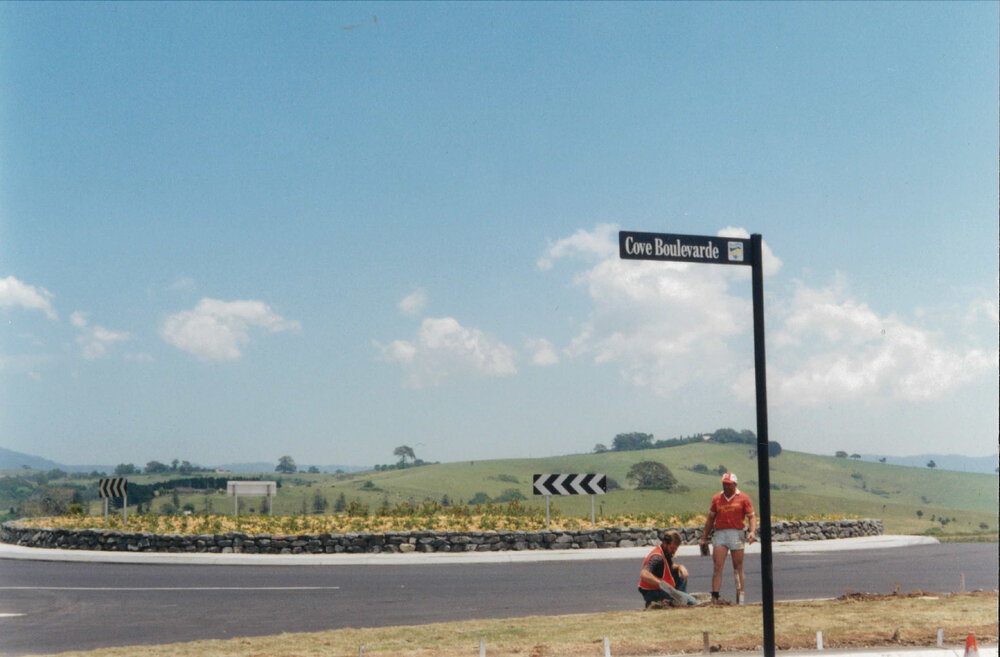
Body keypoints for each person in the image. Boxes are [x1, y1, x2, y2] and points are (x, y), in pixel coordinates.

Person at [699, 472, 756, 603]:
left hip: (737, 532)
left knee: (738, 567)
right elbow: (710, 518)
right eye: (724, 484)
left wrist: (752, 531)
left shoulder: (743, 498)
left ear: (735, 485)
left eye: (728, 484)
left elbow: (751, 516)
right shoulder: (717, 498)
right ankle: (715, 596)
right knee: (717, 566)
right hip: (720, 533)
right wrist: (704, 537)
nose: (726, 487)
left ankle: (740, 596)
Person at [637, 529, 697, 607]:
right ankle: (675, 601)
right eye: (672, 548)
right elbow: (644, 574)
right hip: (653, 592)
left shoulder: (665, 552)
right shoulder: (657, 557)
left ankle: (678, 600)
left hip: (662, 589)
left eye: (676, 549)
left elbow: (669, 567)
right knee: (692, 601)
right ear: (665, 543)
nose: (674, 551)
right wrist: (663, 585)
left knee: (681, 577)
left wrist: (680, 567)